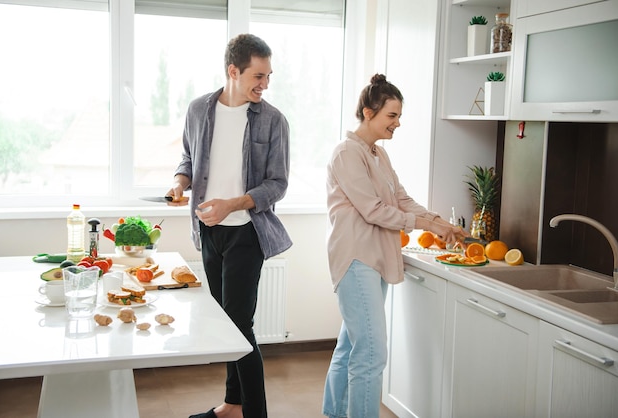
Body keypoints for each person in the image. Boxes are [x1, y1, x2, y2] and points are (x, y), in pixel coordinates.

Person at [322, 74, 466, 418]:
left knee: (352, 346)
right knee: (370, 353)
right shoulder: (346, 153)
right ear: (369, 112)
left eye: (399, 116)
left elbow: (400, 199)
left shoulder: (377, 155)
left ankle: (333, 413)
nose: (398, 123)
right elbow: (373, 210)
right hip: (356, 259)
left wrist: (438, 222)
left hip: (376, 258)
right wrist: (426, 225)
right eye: (392, 115)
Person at [167, 33, 292, 418]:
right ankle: (232, 405)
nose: (265, 84)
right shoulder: (198, 110)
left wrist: (232, 205)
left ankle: (255, 412)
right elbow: (187, 158)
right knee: (225, 325)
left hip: (246, 233)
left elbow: (277, 185)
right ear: (232, 71)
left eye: (269, 76)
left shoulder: (273, 121)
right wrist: (179, 183)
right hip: (207, 232)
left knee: (239, 327)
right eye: (258, 75)